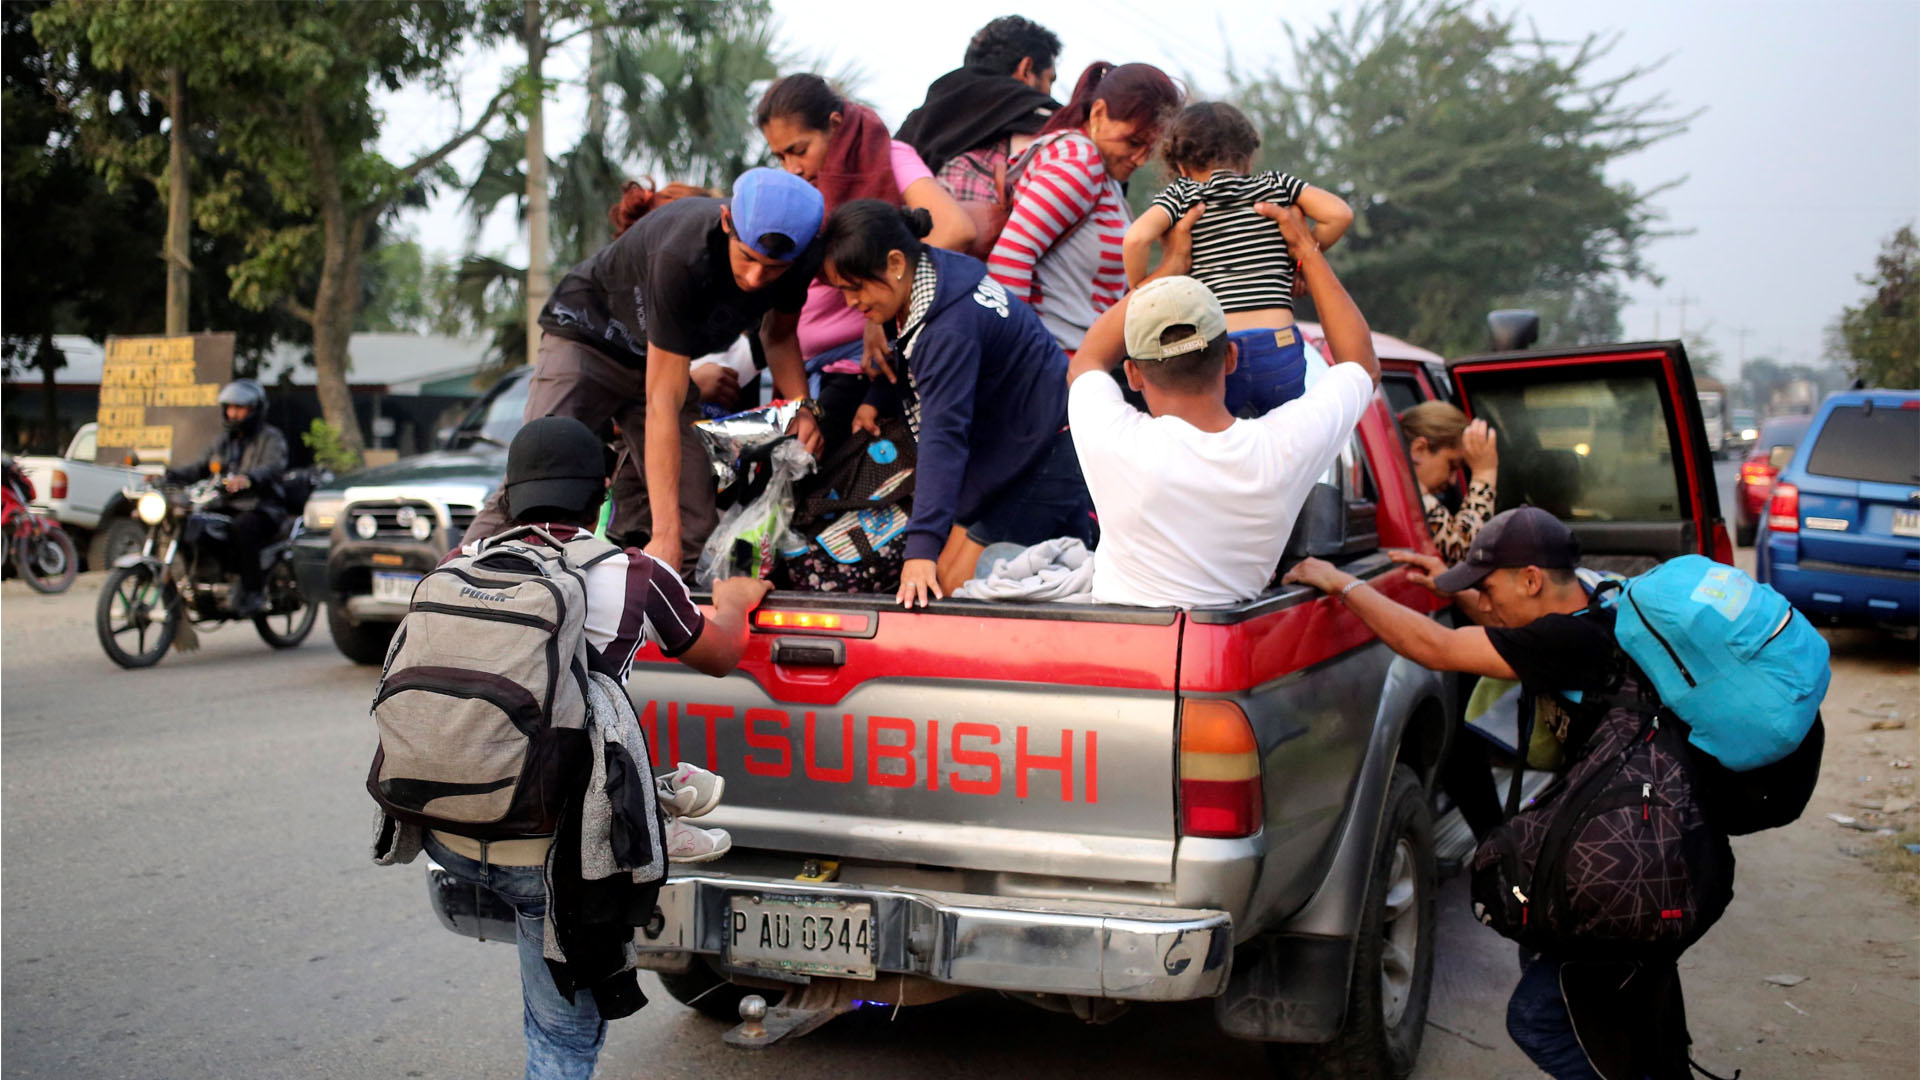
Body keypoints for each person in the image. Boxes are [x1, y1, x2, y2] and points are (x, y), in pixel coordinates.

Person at [1281, 507, 1690, 1079]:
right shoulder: (1599, 600)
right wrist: (1449, 581)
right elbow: (1509, 630)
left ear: (1531, 579)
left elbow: (1438, 649)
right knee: (1629, 1003)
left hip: (1634, 859)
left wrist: (1341, 583)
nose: (1486, 603)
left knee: (1543, 1018)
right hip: (1663, 843)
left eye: (1490, 588)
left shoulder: (1570, 640)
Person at [426, 415, 773, 1080]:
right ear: (605, 488)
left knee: (542, 972)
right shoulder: (632, 573)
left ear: (511, 491)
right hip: (552, 851)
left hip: (452, 824)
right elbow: (722, 653)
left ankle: (656, 807)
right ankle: (655, 817)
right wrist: (735, 599)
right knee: (561, 1037)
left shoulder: (458, 565)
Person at [459, 168, 827, 575]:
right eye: (748, 258)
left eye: (773, 269)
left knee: (693, 523)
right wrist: (663, 534)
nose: (756, 279)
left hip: (651, 359)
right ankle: (457, 586)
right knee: (538, 482)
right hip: (586, 339)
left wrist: (803, 407)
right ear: (727, 222)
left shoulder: (803, 255)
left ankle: (653, 626)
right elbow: (662, 402)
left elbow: (778, 335)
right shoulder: (682, 254)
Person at [1064, 203, 1379, 608]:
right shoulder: (1280, 449)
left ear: (1134, 374)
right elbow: (1362, 367)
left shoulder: (1113, 440)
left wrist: (1171, 266)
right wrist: (1304, 246)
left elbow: (1087, 360)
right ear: (1230, 357)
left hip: (1122, 656)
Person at [819, 200, 1094, 605]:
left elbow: (943, 437)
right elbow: (912, 356)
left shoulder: (949, 328)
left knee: (950, 588)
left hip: (1047, 453)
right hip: (1018, 444)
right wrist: (878, 396)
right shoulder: (933, 272)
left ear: (895, 262)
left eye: (855, 288)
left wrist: (920, 551)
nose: (851, 304)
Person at [756, 74, 976, 454]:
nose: (791, 167)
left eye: (799, 149)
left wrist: (877, 313)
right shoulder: (799, 191)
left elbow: (956, 229)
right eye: (780, 157)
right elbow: (775, 330)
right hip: (802, 370)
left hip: (862, 366)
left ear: (834, 126)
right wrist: (802, 406)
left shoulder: (891, 157)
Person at [1122, 101, 1354, 415]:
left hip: (1218, 353)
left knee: (1217, 448)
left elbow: (1136, 238)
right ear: (1247, 157)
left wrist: (1141, 285)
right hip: (1280, 344)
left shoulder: (1183, 196)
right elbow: (1339, 215)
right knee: (1280, 445)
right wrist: (1296, 262)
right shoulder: (1274, 185)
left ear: (1181, 166)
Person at [988, 61, 1183, 352]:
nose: (1141, 160)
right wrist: (1023, 361)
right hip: (1053, 360)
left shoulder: (1102, 173)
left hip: (1068, 361)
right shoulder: (1080, 161)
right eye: (1133, 142)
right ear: (1099, 113)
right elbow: (1009, 260)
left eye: (1151, 150)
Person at [895, 15, 1063, 246]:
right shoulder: (1043, 121)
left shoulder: (918, 119)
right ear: (1026, 69)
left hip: (898, 254)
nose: (1048, 93)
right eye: (1049, 81)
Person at [163, 379, 287, 616]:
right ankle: (206, 582)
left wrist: (247, 478)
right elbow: (201, 468)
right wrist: (168, 474)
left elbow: (272, 467)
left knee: (243, 527)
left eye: (239, 408)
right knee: (197, 524)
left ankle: (253, 591)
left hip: (263, 506)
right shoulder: (224, 441)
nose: (233, 413)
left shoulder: (271, 438)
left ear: (254, 410)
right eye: (229, 408)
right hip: (228, 505)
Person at [1400, 401, 1500, 563]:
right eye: (1452, 465)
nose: (1453, 480)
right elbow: (1462, 550)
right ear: (1419, 449)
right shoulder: (1406, 491)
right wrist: (1484, 473)